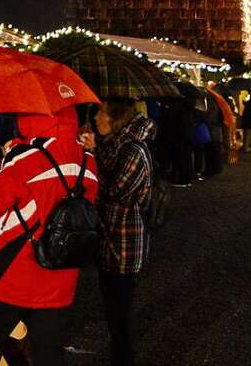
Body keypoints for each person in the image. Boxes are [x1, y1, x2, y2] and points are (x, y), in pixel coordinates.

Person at [0, 106, 98, 366]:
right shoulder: (88, 160)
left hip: (13, 273)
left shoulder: (27, 158)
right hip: (61, 276)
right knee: (48, 354)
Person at [95, 98, 154, 366]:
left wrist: (92, 158)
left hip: (125, 242)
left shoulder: (133, 152)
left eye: (100, 113)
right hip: (111, 239)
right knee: (112, 311)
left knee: (121, 313)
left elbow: (113, 191)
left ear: (114, 119)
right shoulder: (116, 146)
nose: (96, 119)